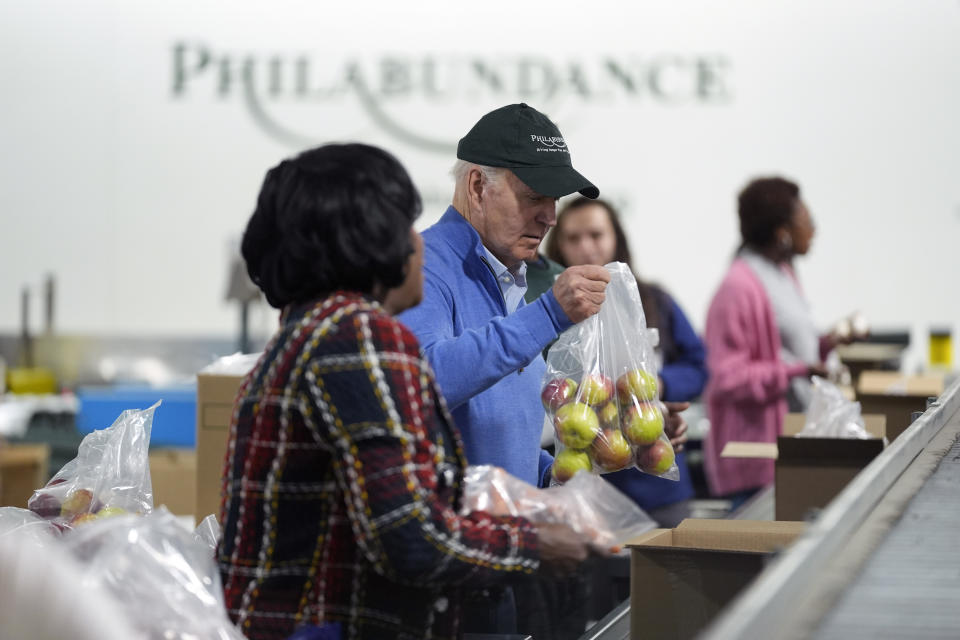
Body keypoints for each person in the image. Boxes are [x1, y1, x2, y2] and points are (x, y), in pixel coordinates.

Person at [218, 143, 592, 640]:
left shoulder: (310, 333)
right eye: (405, 226)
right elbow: (408, 535)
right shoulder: (360, 341)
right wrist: (532, 546)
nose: (421, 242)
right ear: (368, 243)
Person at [398, 104, 687, 636]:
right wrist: (548, 313)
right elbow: (422, 381)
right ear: (478, 186)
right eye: (534, 197)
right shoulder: (426, 266)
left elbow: (500, 445)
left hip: (503, 568)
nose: (550, 216)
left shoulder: (509, 277)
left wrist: (607, 443)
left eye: (553, 199)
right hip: (447, 587)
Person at [543, 197, 707, 526]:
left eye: (596, 234)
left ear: (615, 236)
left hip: (657, 487)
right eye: (573, 238)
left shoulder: (655, 300)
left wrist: (658, 386)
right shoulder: (547, 309)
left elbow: (699, 365)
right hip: (583, 491)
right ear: (558, 245)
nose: (586, 246)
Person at [702, 176, 833, 506]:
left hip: (790, 444)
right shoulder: (737, 288)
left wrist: (830, 344)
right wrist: (796, 372)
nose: (814, 231)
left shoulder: (785, 275)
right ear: (781, 232)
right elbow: (727, 378)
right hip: (754, 460)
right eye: (807, 220)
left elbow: (788, 350)